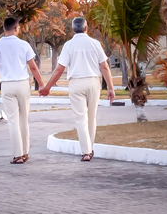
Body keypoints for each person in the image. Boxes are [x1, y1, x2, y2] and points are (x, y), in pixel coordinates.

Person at [39, 17, 116, 161]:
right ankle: (89, 149)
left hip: (76, 83)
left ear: (73, 29)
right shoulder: (95, 43)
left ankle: (86, 151)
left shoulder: (68, 45)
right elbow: (104, 67)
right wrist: (110, 87)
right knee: (91, 117)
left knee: (81, 118)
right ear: (86, 28)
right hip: (93, 82)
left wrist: (47, 87)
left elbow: (59, 69)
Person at [0, 17, 44, 164]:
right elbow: (33, 67)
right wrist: (41, 84)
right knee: (23, 119)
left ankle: (18, 155)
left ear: (4, 29)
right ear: (16, 28)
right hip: (22, 84)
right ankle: (25, 152)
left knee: (13, 121)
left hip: (7, 85)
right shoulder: (24, 45)